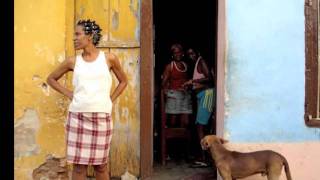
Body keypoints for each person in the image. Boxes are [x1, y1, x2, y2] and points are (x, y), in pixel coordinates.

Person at [47, 19, 127, 180]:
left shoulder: (109, 59)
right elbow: (51, 79)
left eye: (78, 34)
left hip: (101, 118)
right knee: (78, 168)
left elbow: (124, 81)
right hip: (78, 118)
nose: (74, 38)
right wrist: (70, 94)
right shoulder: (73, 61)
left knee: (101, 166)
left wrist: (110, 99)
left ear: (90, 36)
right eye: (74, 35)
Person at [183, 48, 215, 167]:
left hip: (207, 95)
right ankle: (204, 156)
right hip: (202, 95)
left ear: (198, 53)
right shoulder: (196, 63)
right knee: (200, 126)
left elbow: (209, 78)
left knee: (201, 126)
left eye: (192, 53)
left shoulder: (201, 61)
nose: (190, 56)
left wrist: (192, 81)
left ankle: (205, 158)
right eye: (188, 54)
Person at [161, 43, 193, 128]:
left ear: (182, 53)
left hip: (185, 95)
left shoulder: (186, 65)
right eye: (175, 53)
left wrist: (187, 86)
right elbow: (164, 82)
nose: (177, 54)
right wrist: (166, 92)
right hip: (174, 95)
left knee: (185, 122)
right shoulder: (169, 66)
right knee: (173, 121)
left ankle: (182, 140)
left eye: (179, 52)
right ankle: (172, 140)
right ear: (172, 55)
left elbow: (188, 80)